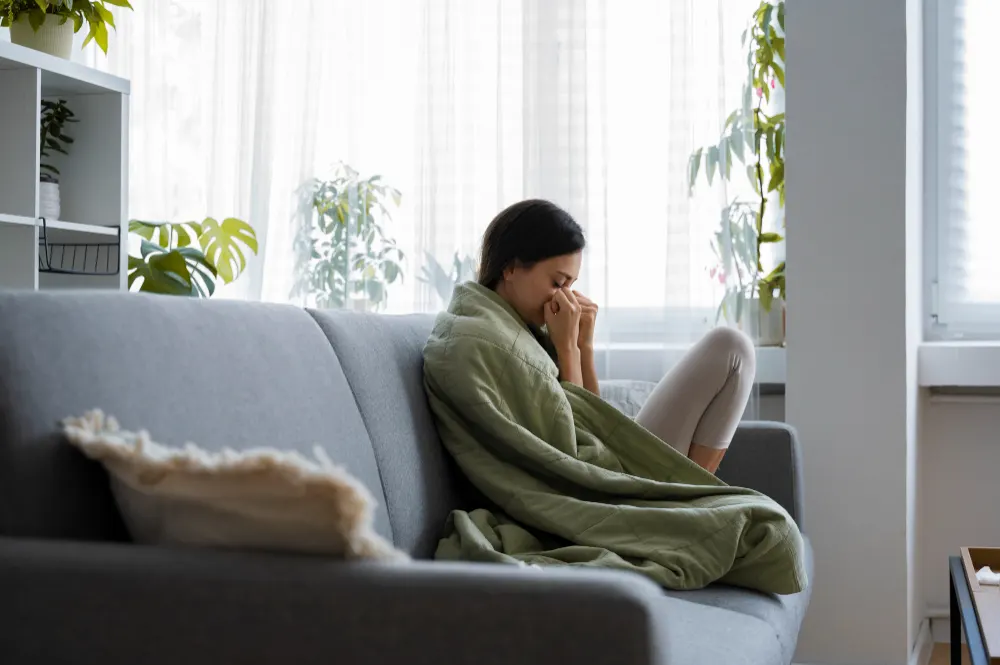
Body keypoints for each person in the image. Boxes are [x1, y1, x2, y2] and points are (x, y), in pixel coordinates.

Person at [476, 198, 756, 473]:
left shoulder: (528, 329)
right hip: (599, 482)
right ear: (510, 268)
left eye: (571, 285)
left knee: (733, 348)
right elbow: (573, 446)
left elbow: (596, 424)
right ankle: (688, 502)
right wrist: (567, 350)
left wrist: (582, 346)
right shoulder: (495, 342)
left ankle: (687, 500)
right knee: (732, 348)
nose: (566, 297)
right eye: (558, 282)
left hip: (608, 465)